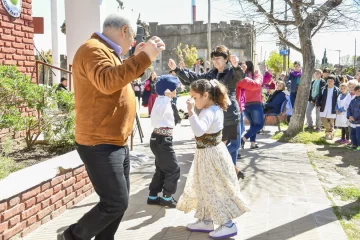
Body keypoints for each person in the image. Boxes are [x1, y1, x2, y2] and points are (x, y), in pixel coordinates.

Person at [57, 12, 165, 240]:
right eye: (133, 37)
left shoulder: (106, 52)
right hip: (100, 141)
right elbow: (108, 81)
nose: (133, 43)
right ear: (124, 30)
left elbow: (116, 77)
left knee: (117, 203)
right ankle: (72, 236)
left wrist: (136, 58)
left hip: (113, 140)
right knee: (115, 202)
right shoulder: (93, 49)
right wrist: (144, 57)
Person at [176, 79, 250, 239]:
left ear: (206, 95)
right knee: (205, 187)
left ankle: (228, 224)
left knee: (215, 188)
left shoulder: (209, 111)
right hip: (207, 153)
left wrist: (190, 111)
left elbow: (199, 131)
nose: (193, 101)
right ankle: (206, 220)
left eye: (195, 97)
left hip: (211, 155)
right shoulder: (212, 107)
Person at [168, 45, 248, 179]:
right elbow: (194, 78)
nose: (215, 61)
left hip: (230, 114)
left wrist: (236, 66)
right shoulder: (211, 73)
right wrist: (176, 69)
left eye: (218, 58)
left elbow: (240, 76)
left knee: (234, 145)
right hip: (216, 116)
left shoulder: (231, 71)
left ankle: (231, 172)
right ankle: (230, 172)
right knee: (218, 147)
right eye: (213, 58)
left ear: (226, 59)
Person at [148, 75, 181, 208]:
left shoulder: (162, 100)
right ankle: (167, 197)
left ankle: (153, 196)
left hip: (160, 139)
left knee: (162, 169)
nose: (176, 91)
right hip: (162, 141)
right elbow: (157, 117)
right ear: (168, 90)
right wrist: (167, 98)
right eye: (175, 89)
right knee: (173, 169)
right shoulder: (162, 101)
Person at [241, 61, 264, 150]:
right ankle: (244, 138)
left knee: (253, 124)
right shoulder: (256, 76)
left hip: (245, 104)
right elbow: (259, 83)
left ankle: (253, 143)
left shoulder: (242, 77)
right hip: (255, 103)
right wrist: (259, 73)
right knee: (259, 125)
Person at [317, 75, 341, 140]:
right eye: (328, 81)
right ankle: (332, 130)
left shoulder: (337, 90)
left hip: (332, 107)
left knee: (331, 121)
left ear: (334, 82)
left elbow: (339, 100)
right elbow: (319, 97)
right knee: (323, 119)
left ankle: (328, 135)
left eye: (331, 81)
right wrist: (318, 105)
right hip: (324, 106)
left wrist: (338, 108)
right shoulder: (323, 89)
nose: (330, 82)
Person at [347, 85, 360, 151]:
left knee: (358, 135)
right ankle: (354, 144)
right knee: (353, 134)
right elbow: (349, 108)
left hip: (358, 121)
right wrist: (349, 116)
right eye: (357, 91)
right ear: (354, 91)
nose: (358, 92)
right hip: (352, 121)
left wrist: (355, 118)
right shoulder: (353, 100)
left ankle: (359, 146)